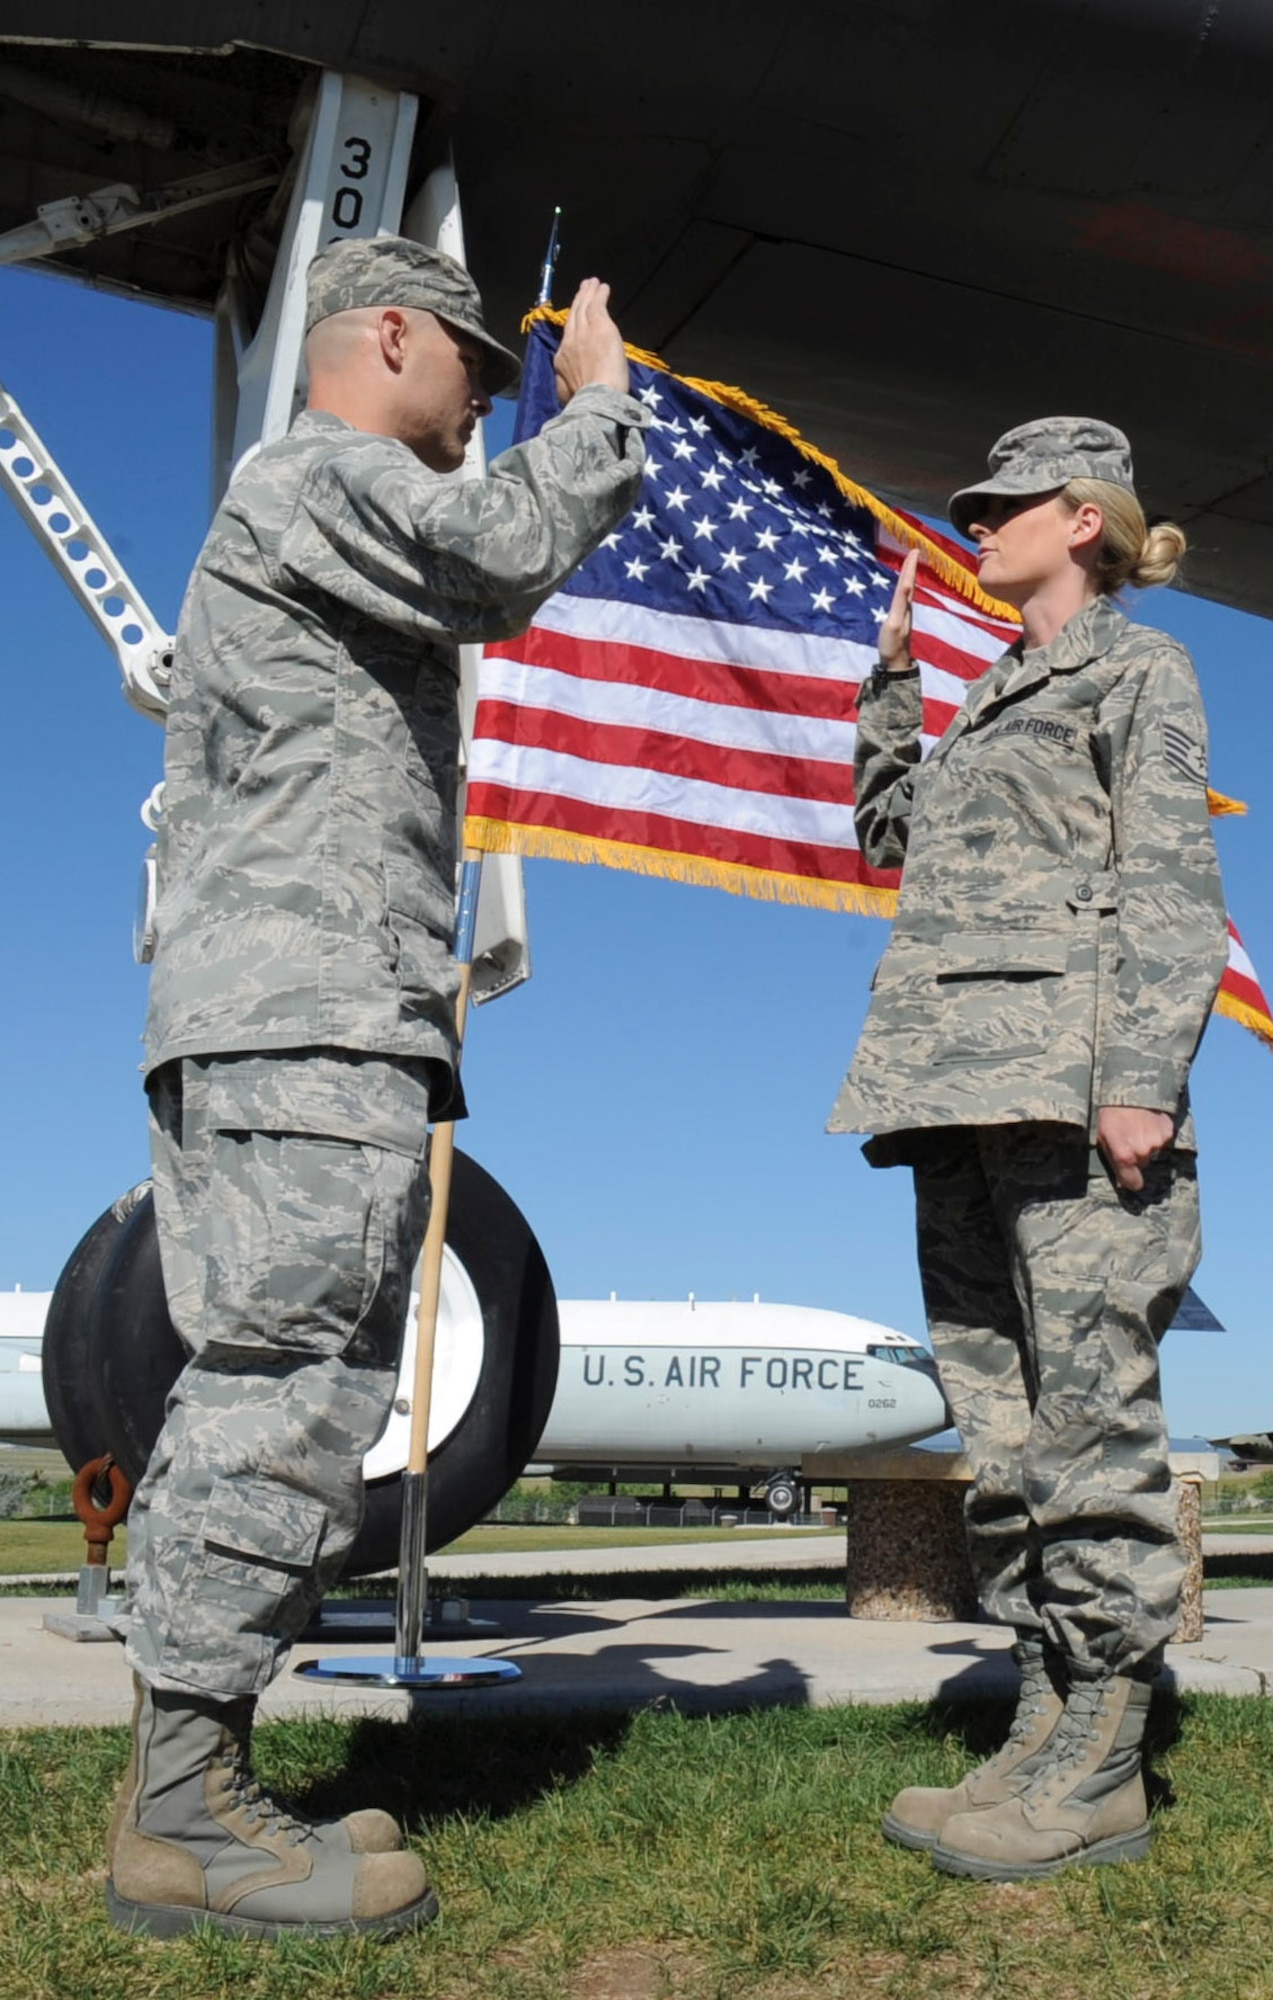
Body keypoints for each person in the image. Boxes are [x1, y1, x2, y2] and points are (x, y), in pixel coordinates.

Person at [107, 236, 648, 1940]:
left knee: (295, 1378)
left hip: (295, 1006)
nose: (487, 397)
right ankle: (186, 1815)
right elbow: (497, 554)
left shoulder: (301, 504)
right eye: (472, 366)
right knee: (286, 1391)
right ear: (388, 332)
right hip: (305, 1007)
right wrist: (602, 406)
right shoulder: (317, 473)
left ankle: (197, 1785)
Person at [828, 418, 1228, 1881]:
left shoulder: (1137, 670)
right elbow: (888, 835)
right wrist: (887, 684)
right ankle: (1044, 1714)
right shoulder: (991, 696)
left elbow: (1171, 882)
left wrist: (1141, 1083)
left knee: (1090, 1420)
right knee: (998, 1431)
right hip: (954, 1094)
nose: (970, 525)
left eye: (996, 507)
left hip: (1073, 1095)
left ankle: (1106, 1750)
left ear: (1078, 517)